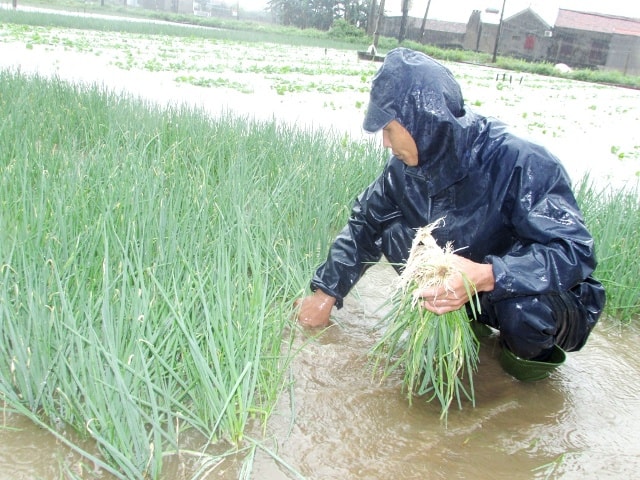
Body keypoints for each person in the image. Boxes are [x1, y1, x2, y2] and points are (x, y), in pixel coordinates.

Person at [295, 47, 605, 381]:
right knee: (394, 233)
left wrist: (486, 275)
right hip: (473, 291)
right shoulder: (403, 169)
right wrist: (324, 295)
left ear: (423, 122)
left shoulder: (521, 161)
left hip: (548, 298)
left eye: (388, 129)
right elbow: (363, 227)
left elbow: (574, 252)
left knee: (522, 312)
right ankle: (466, 332)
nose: (385, 143)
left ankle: (521, 380)